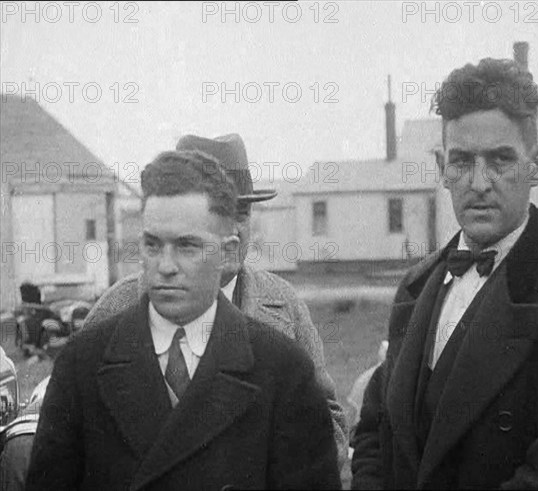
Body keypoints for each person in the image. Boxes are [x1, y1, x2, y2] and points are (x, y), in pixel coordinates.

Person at [26, 150, 341, 490]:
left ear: (229, 252)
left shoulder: (283, 370)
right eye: (152, 245)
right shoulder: (83, 364)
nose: (165, 265)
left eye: (187, 246)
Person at [351, 58, 538, 489]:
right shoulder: (416, 286)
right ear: (441, 167)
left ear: (536, 165)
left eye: (501, 159)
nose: (479, 182)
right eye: (462, 161)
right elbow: (375, 434)